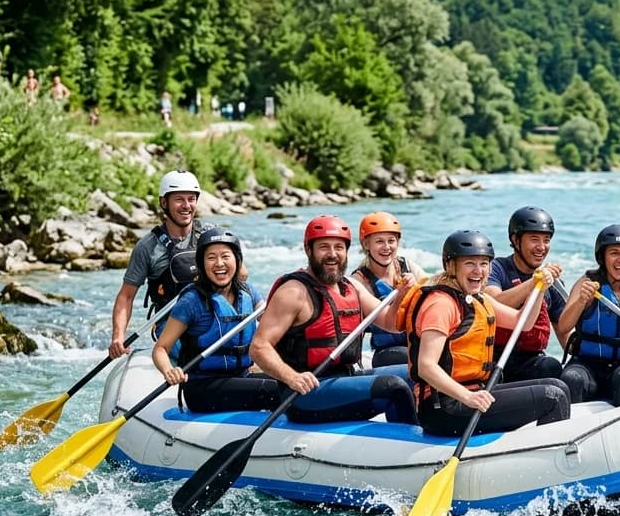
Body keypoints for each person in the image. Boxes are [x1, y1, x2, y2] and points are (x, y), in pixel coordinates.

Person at [398, 230, 570, 437]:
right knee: (552, 396)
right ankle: (550, 454)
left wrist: (539, 288)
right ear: (451, 266)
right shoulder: (441, 304)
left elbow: (522, 323)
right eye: (470, 263)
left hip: (473, 392)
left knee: (557, 386)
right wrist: (467, 397)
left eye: (484, 264)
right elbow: (426, 366)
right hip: (442, 406)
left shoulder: (478, 298)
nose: (478, 271)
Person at [249, 215, 417, 425]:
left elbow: (390, 324)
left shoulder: (351, 286)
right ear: (308, 250)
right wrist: (292, 377)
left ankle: (430, 431)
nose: (332, 254)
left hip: (345, 377)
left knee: (417, 372)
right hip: (306, 394)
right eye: (324, 247)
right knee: (392, 387)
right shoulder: (293, 292)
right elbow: (259, 347)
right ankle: (409, 441)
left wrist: (401, 295)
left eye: (339, 247)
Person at [151, 229, 285, 413]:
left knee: (290, 383)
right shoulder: (191, 301)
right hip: (203, 387)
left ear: (237, 260)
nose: (219, 263)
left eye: (225, 256)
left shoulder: (248, 292)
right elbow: (160, 348)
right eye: (211, 258)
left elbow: (275, 327)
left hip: (241, 377)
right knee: (274, 390)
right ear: (202, 264)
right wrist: (169, 370)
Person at [109, 170, 215, 358]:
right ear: (164, 203)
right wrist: (118, 336)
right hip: (170, 322)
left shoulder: (210, 236)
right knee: (192, 354)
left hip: (211, 316)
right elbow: (126, 296)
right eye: (179, 199)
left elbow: (241, 275)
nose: (186, 205)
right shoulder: (147, 247)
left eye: (191, 199)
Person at [556, 225, 620, 405]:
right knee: (572, 379)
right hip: (586, 364)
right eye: (614, 253)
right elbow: (564, 326)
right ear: (602, 257)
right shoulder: (586, 284)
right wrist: (581, 301)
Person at [484, 206, 568, 382]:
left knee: (552, 366)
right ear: (516, 240)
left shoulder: (552, 282)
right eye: (534, 239)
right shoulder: (496, 269)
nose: (541, 247)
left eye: (546, 240)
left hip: (531, 361)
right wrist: (534, 283)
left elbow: (565, 331)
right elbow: (491, 302)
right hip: (494, 360)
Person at [350, 211, 427, 368]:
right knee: (414, 356)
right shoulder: (359, 281)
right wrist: (400, 295)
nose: (386, 247)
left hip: (416, 343)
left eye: (391, 241)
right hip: (387, 352)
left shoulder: (408, 267)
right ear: (366, 244)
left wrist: (419, 289)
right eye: (379, 241)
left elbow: (433, 296)